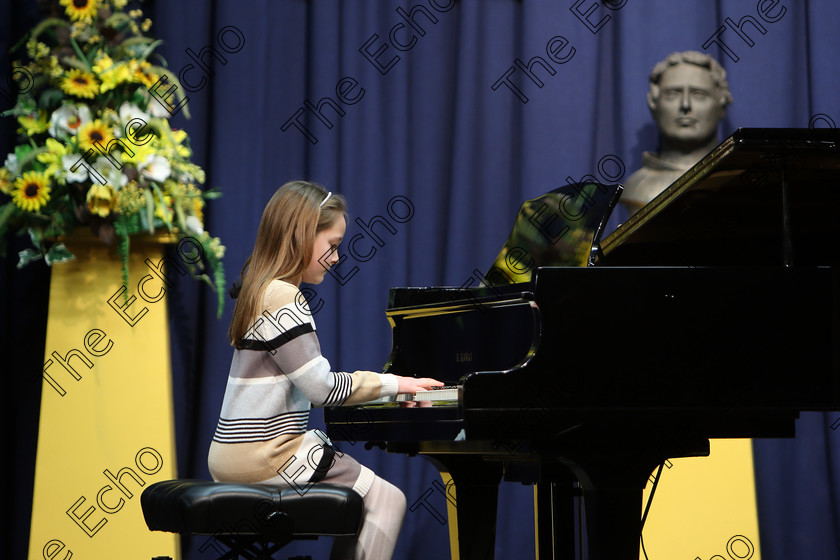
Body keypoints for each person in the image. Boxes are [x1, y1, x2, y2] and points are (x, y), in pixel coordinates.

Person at [208, 180, 443, 560]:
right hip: (267, 456)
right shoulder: (284, 295)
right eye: (332, 246)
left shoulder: (258, 288)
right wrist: (398, 384)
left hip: (231, 455)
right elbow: (320, 389)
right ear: (301, 235)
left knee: (363, 500)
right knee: (389, 500)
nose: (336, 258)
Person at [621, 51, 733, 215]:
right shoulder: (637, 187)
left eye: (698, 94)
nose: (685, 104)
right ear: (653, 103)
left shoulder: (736, 181)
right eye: (672, 94)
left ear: (721, 104)